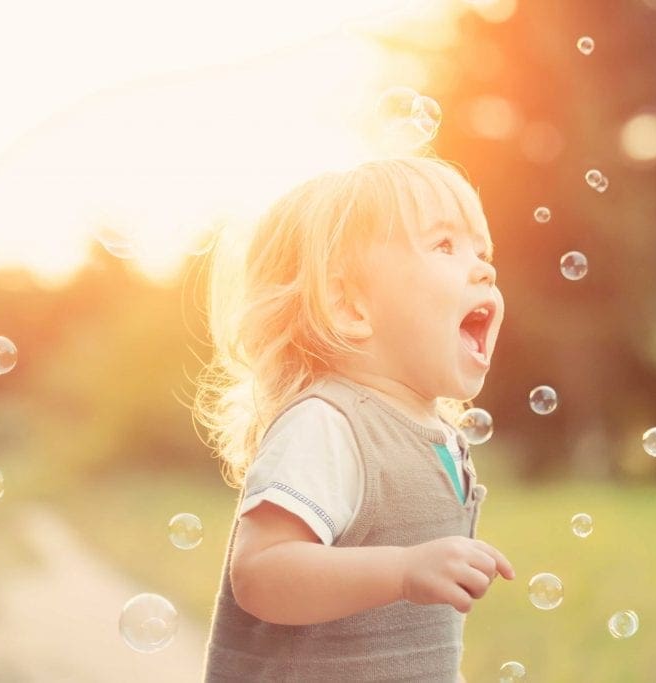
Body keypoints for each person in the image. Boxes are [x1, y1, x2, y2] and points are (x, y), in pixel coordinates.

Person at [195, 155, 514, 682]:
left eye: (482, 251)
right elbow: (261, 572)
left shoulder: (434, 434)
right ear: (350, 307)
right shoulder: (328, 423)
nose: (485, 268)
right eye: (444, 245)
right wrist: (403, 570)